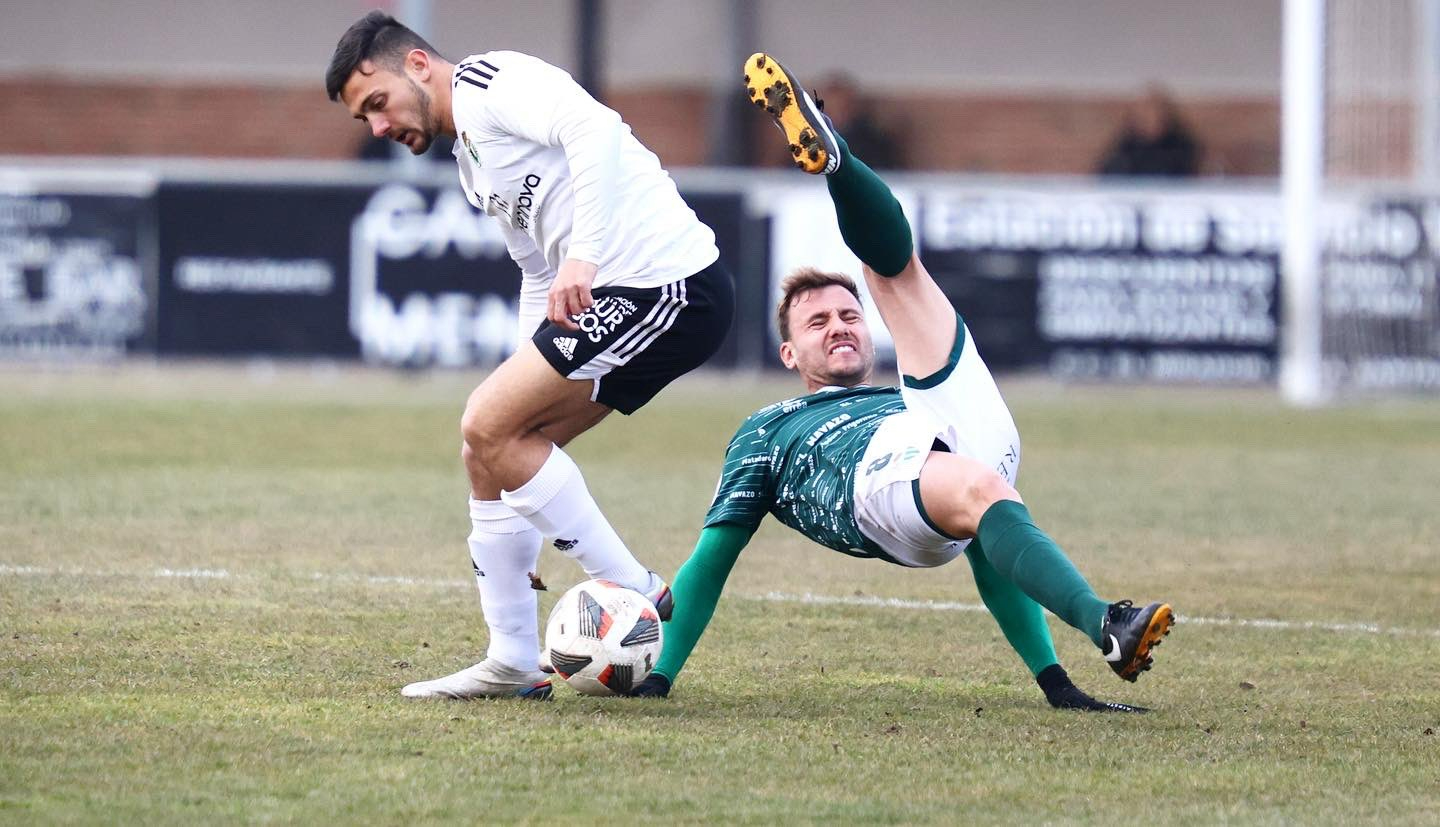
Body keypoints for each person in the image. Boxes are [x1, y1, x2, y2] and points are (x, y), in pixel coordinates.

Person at [629, 54, 1173, 708]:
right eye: (817, 321)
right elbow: (710, 563)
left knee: (894, 273)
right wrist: (658, 677)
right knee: (975, 487)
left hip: (933, 424)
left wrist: (1055, 686)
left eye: (849, 316)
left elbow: (991, 553)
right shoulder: (766, 430)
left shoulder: (900, 394)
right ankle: (1103, 620)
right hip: (868, 483)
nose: (839, 326)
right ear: (787, 353)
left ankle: (837, 162)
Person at [325, 12, 734, 700]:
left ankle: (635, 588)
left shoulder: (493, 82)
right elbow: (539, 276)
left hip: (666, 283)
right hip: (623, 293)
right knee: (489, 446)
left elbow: (595, 129)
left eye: (377, 103)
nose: (377, 127)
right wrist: (522, 373)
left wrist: (586, 254)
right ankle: (513, 658)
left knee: (487, 421)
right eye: (364, 117)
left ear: (418, 65)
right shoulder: (471, 164)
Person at [1096, 85, 1201, 178]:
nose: (1150, 118)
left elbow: (1184, 174)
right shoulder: (1126, 144)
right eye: (1143, 115)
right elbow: (1108, 174)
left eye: (1155, 113)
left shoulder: (1181, 145)